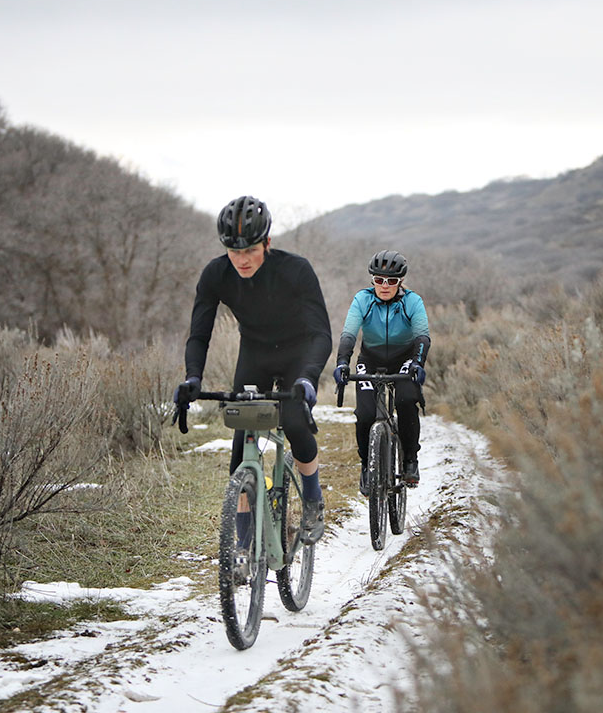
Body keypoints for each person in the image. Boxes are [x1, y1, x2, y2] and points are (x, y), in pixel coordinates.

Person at [175, 195, 333, 544]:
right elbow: (199, 334)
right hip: (255, 353)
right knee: (240, 446)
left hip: (298, 351)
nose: (242, 260)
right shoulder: (216, 274)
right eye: (234, 252)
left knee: (294, 420)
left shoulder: (295, 269)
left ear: (268, 243)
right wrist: (192, 377)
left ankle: (312, 498)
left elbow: (322, 333)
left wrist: (308, 377)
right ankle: (243, 550)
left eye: (250, 251)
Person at [333, 250, 430, 495]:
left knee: (406, 400)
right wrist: (343, 362)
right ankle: (367, 465)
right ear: (372, 280)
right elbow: (349, 334)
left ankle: (410, 460)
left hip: (404, 359)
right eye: (378, 280)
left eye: (391, 281)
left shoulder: (412, 301)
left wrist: (418, 363)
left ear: (400, 282)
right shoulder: (362, 300)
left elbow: (421, 336)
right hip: (370, 359)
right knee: (365, 413)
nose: (384, 286)